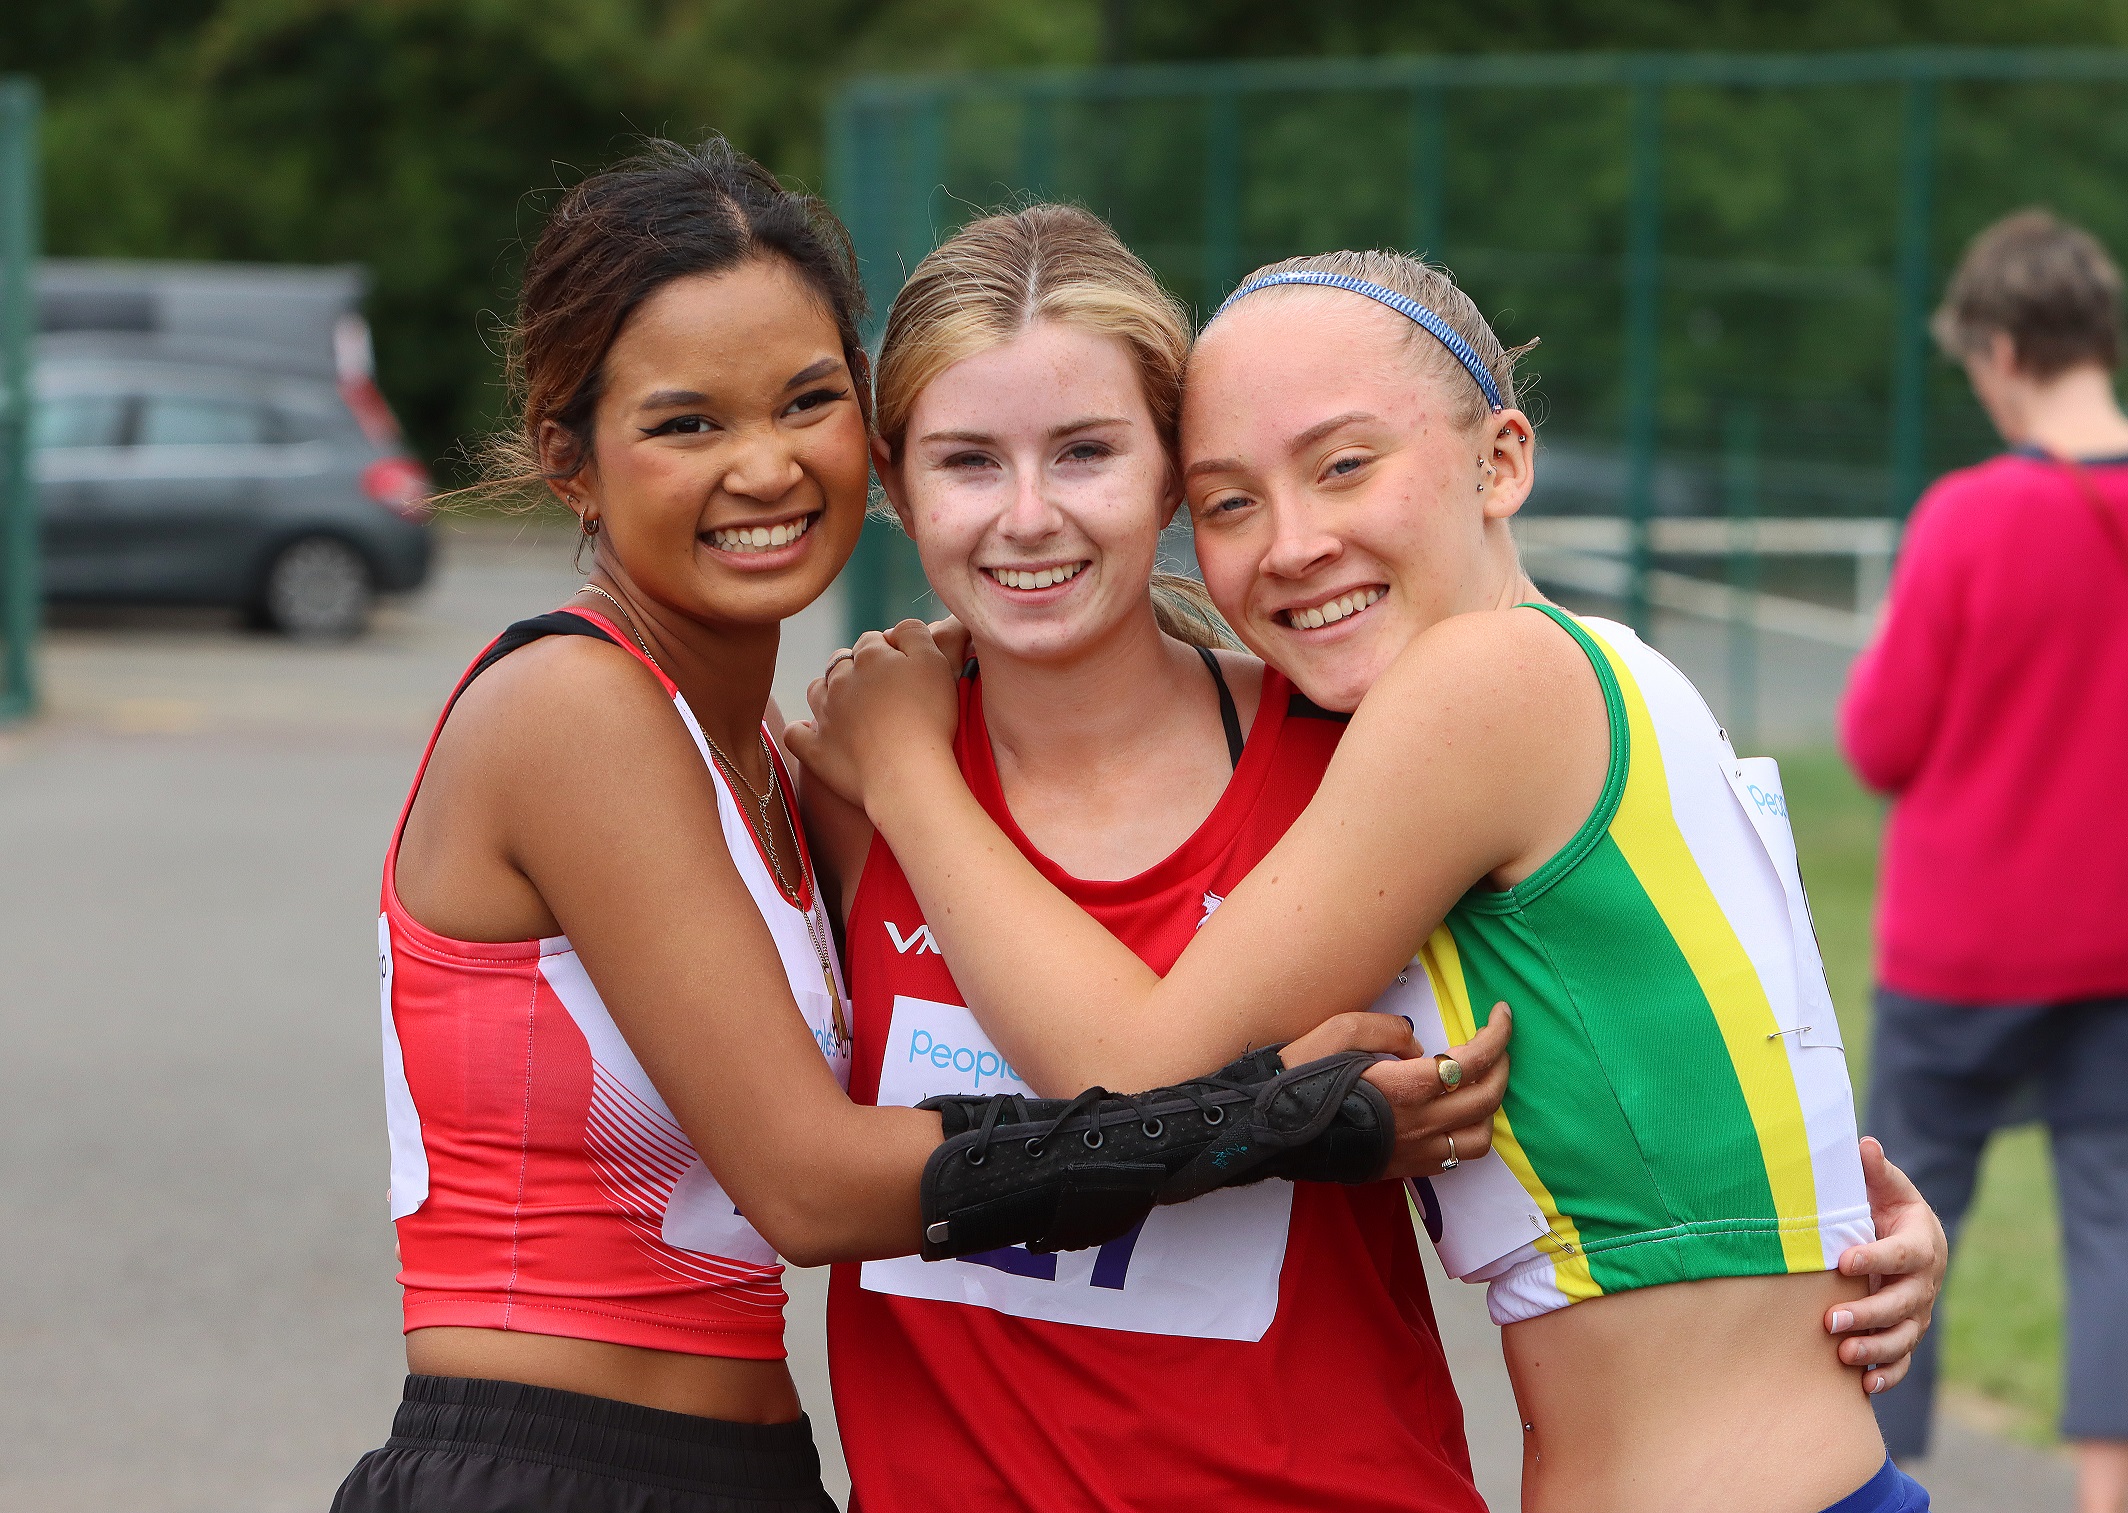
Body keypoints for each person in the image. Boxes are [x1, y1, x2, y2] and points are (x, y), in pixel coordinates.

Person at [333, 144, 1451, 1513]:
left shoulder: (778, 775)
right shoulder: (585, 709)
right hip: (553, 1466)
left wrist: (1799, 1250)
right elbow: (809, 1183)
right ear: (570, 459)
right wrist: (1271, 1117)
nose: (763, 465)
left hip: (751, 1466)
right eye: (687, 424)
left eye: (804, 401)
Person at [793, 244, 1951, 1513]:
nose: (1292, 541)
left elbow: (1130, 1069)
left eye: (1344, 465)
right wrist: (1850, 1229)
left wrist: (904, 767)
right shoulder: (1578, 678)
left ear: (1501, 459)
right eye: (1231, 501)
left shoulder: (1473, 692)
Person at [802, 206, 1508, 1513]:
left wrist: (1859, 1221)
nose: (1028, 516)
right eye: (968, 461)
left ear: (1174, 472)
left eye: (1085, 452)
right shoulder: (840, 786)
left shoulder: (1357, 753)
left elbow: (1636, 1036)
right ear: (896, 485)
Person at [1842, 208, 2128, 1513]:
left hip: (1961, 948)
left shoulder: (1968, 517)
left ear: (2003, 349)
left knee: (1900, 1215)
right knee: (2117, 1229)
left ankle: (1871, 1479)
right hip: (2116, 945)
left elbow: (1882, 740)